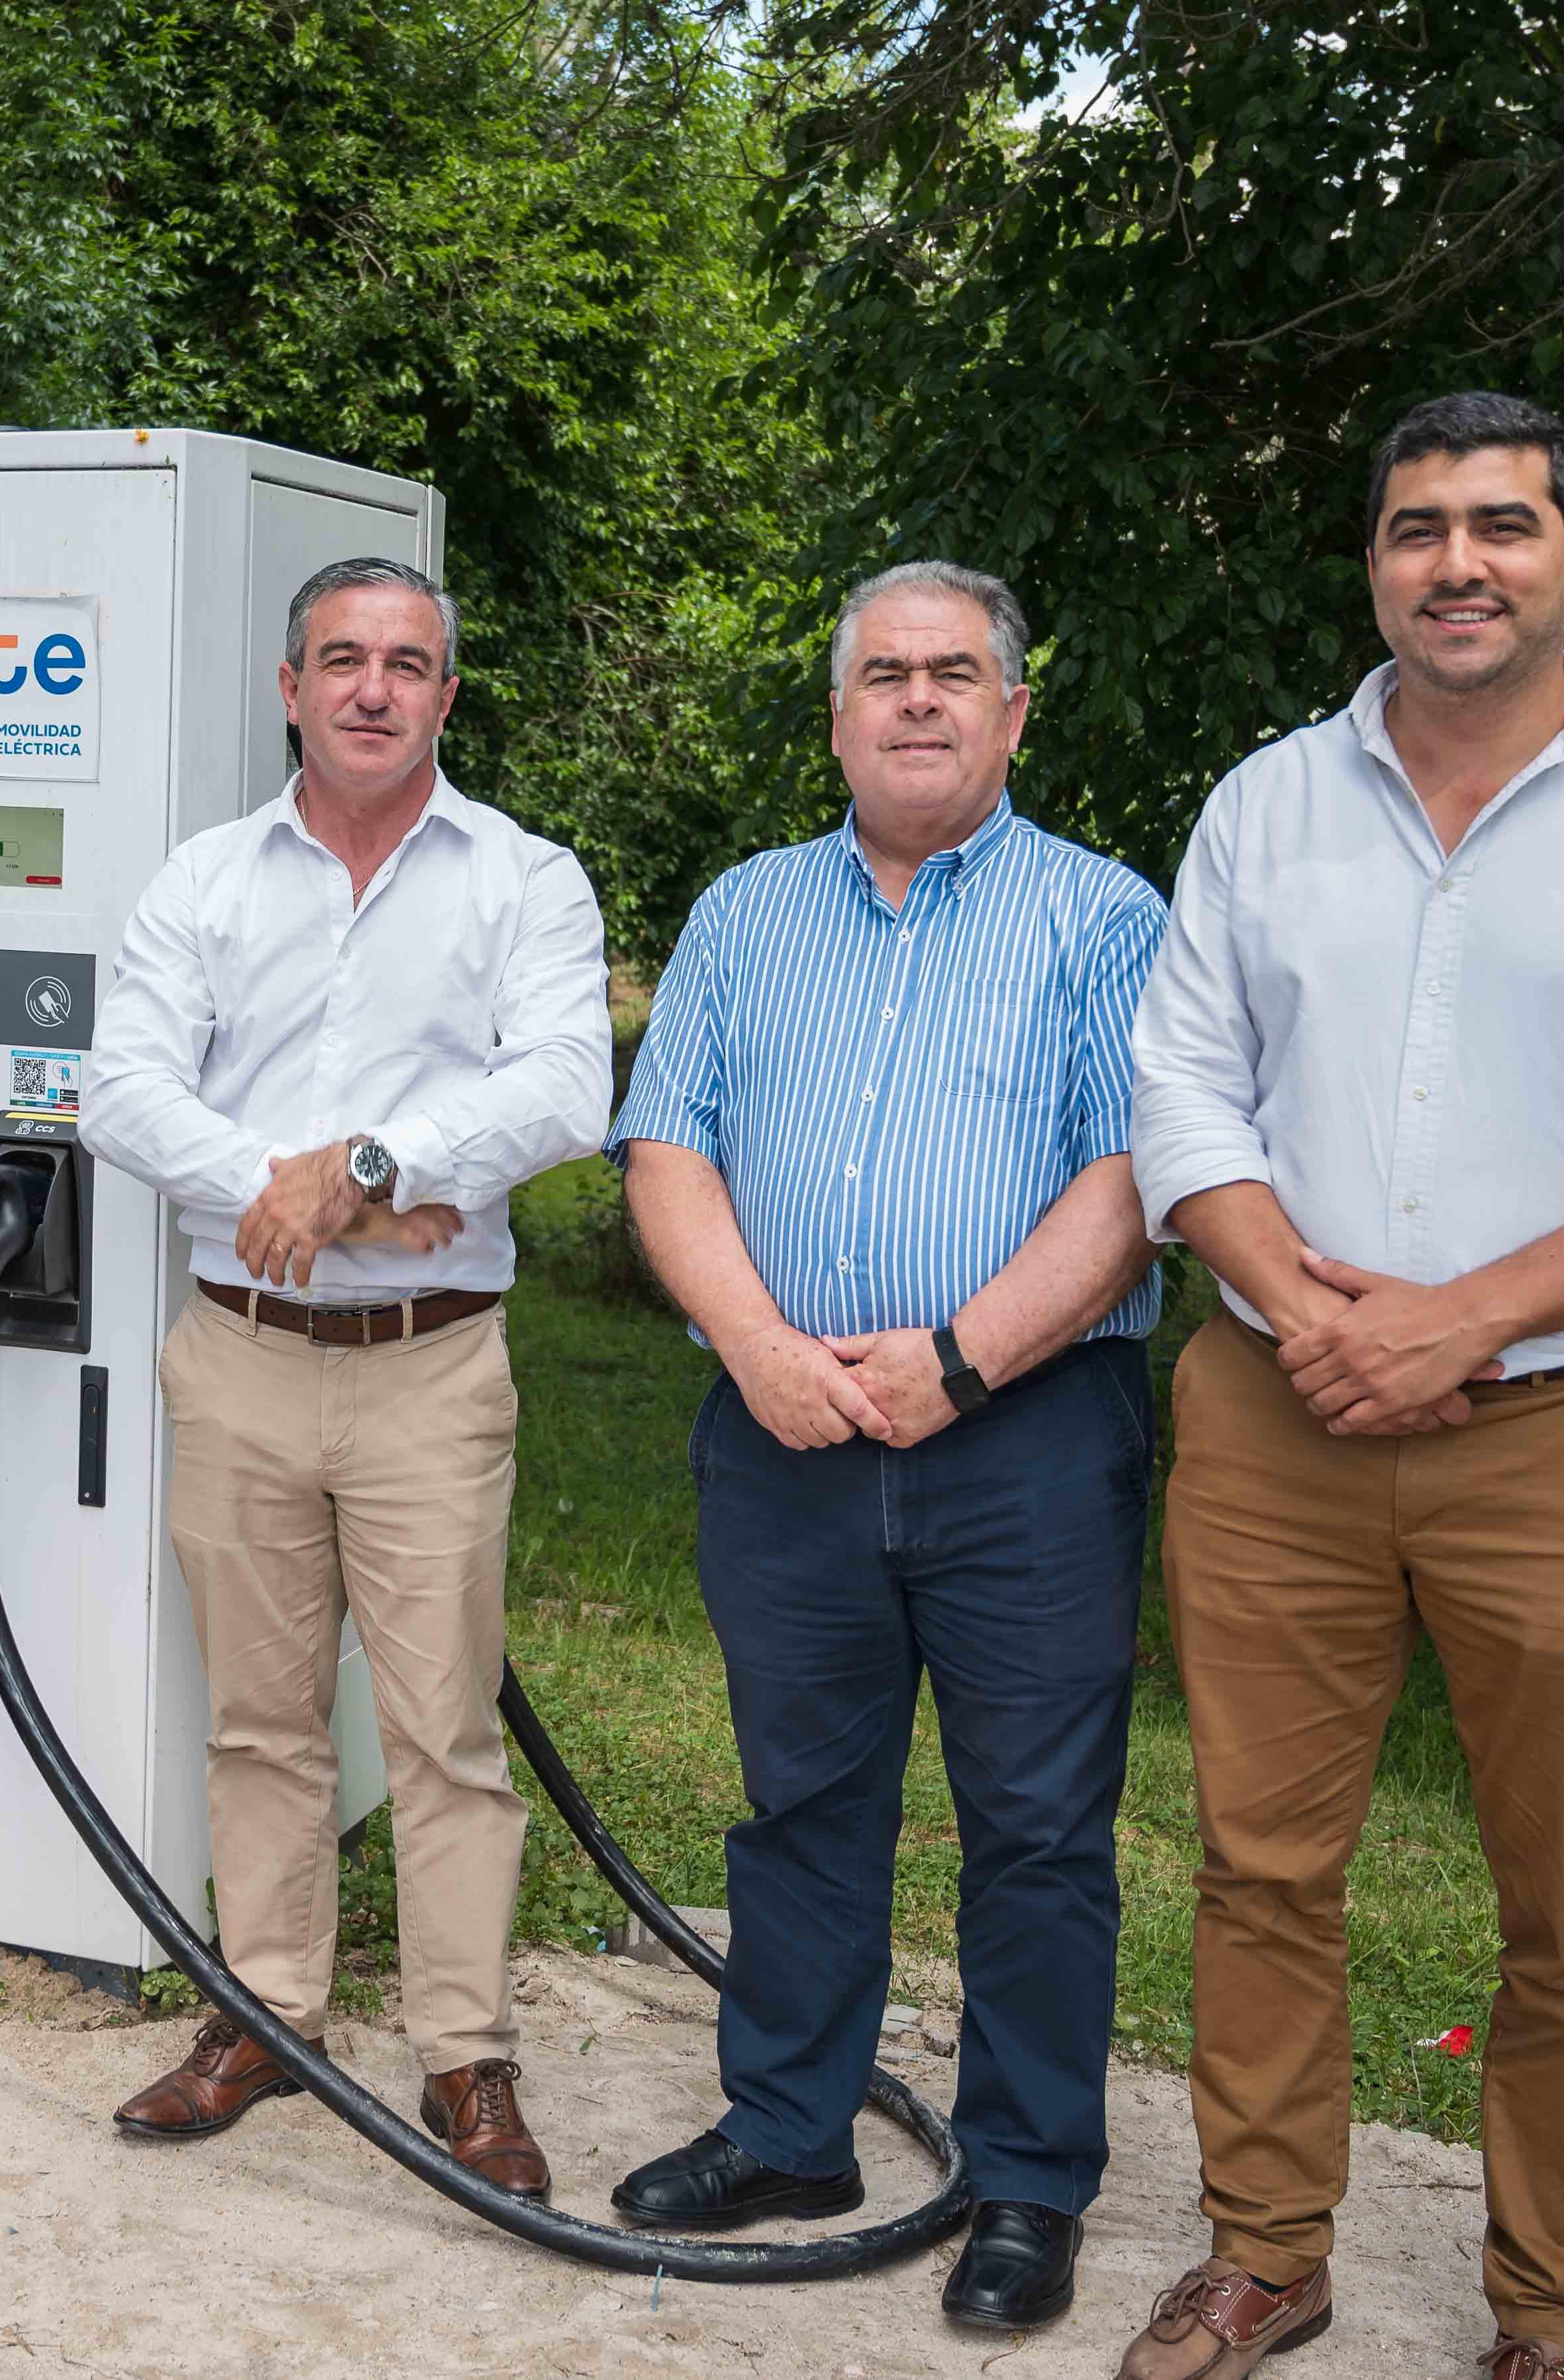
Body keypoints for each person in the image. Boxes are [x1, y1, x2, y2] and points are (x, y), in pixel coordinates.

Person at [1117, 394, 1564, 2380]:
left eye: (1503, 525)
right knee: (1260, 1859)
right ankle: (1268, 2249)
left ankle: (1548, 2315)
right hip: (1276, 1407)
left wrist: (1463, 1319)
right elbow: (1182, 1082)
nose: (1458, 562)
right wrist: (1301, 1298)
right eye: (1417, 527)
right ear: (1373, 564)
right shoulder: (1267, 802)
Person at [605, 561, 1164, 2324]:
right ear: (837, 712)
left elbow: (1135, 1175)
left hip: (1030, 1440)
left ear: (1013, 709)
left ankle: (1023, 2176)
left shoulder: (1105, 916)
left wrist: (962, 1358)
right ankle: (790, 2121)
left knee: (1039, 1824)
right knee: (802, 1799)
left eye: (955, 672)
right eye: (882, 674)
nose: (917, 698)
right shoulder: (746, 911)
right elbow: (667, 1141)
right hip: (781, 1434)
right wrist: (758, 1345)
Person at [80, 554, 610, 2197]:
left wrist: (363, 1162)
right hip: (238, 1358)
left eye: (408, 662)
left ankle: (467, 2053)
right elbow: (121, 1089)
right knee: (260, 1717)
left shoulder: (527, 881)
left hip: (428, 1370)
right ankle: (269, 2012)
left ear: (448, 693)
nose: (374, 687)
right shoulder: (204, 882)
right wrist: (302, 1187)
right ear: (292, 689)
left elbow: (566, 1091)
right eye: (342, 660)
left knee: (447, 1730)